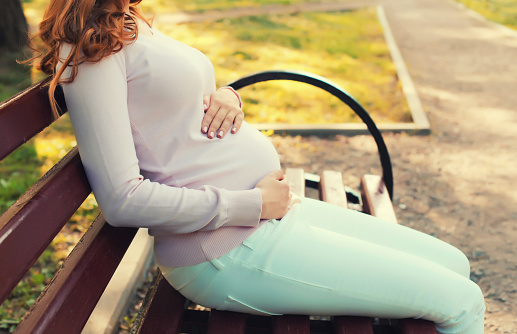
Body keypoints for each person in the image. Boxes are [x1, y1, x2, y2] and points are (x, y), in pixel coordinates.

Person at [30, 0, 485, 332]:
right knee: (461, 301)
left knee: (455, 263)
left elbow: (170, 102)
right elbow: (121, 199)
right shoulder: (88, 49)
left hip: (271, 217)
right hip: (226, 251)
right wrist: (251, 204)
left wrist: (226, 94)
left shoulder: (124, 19)